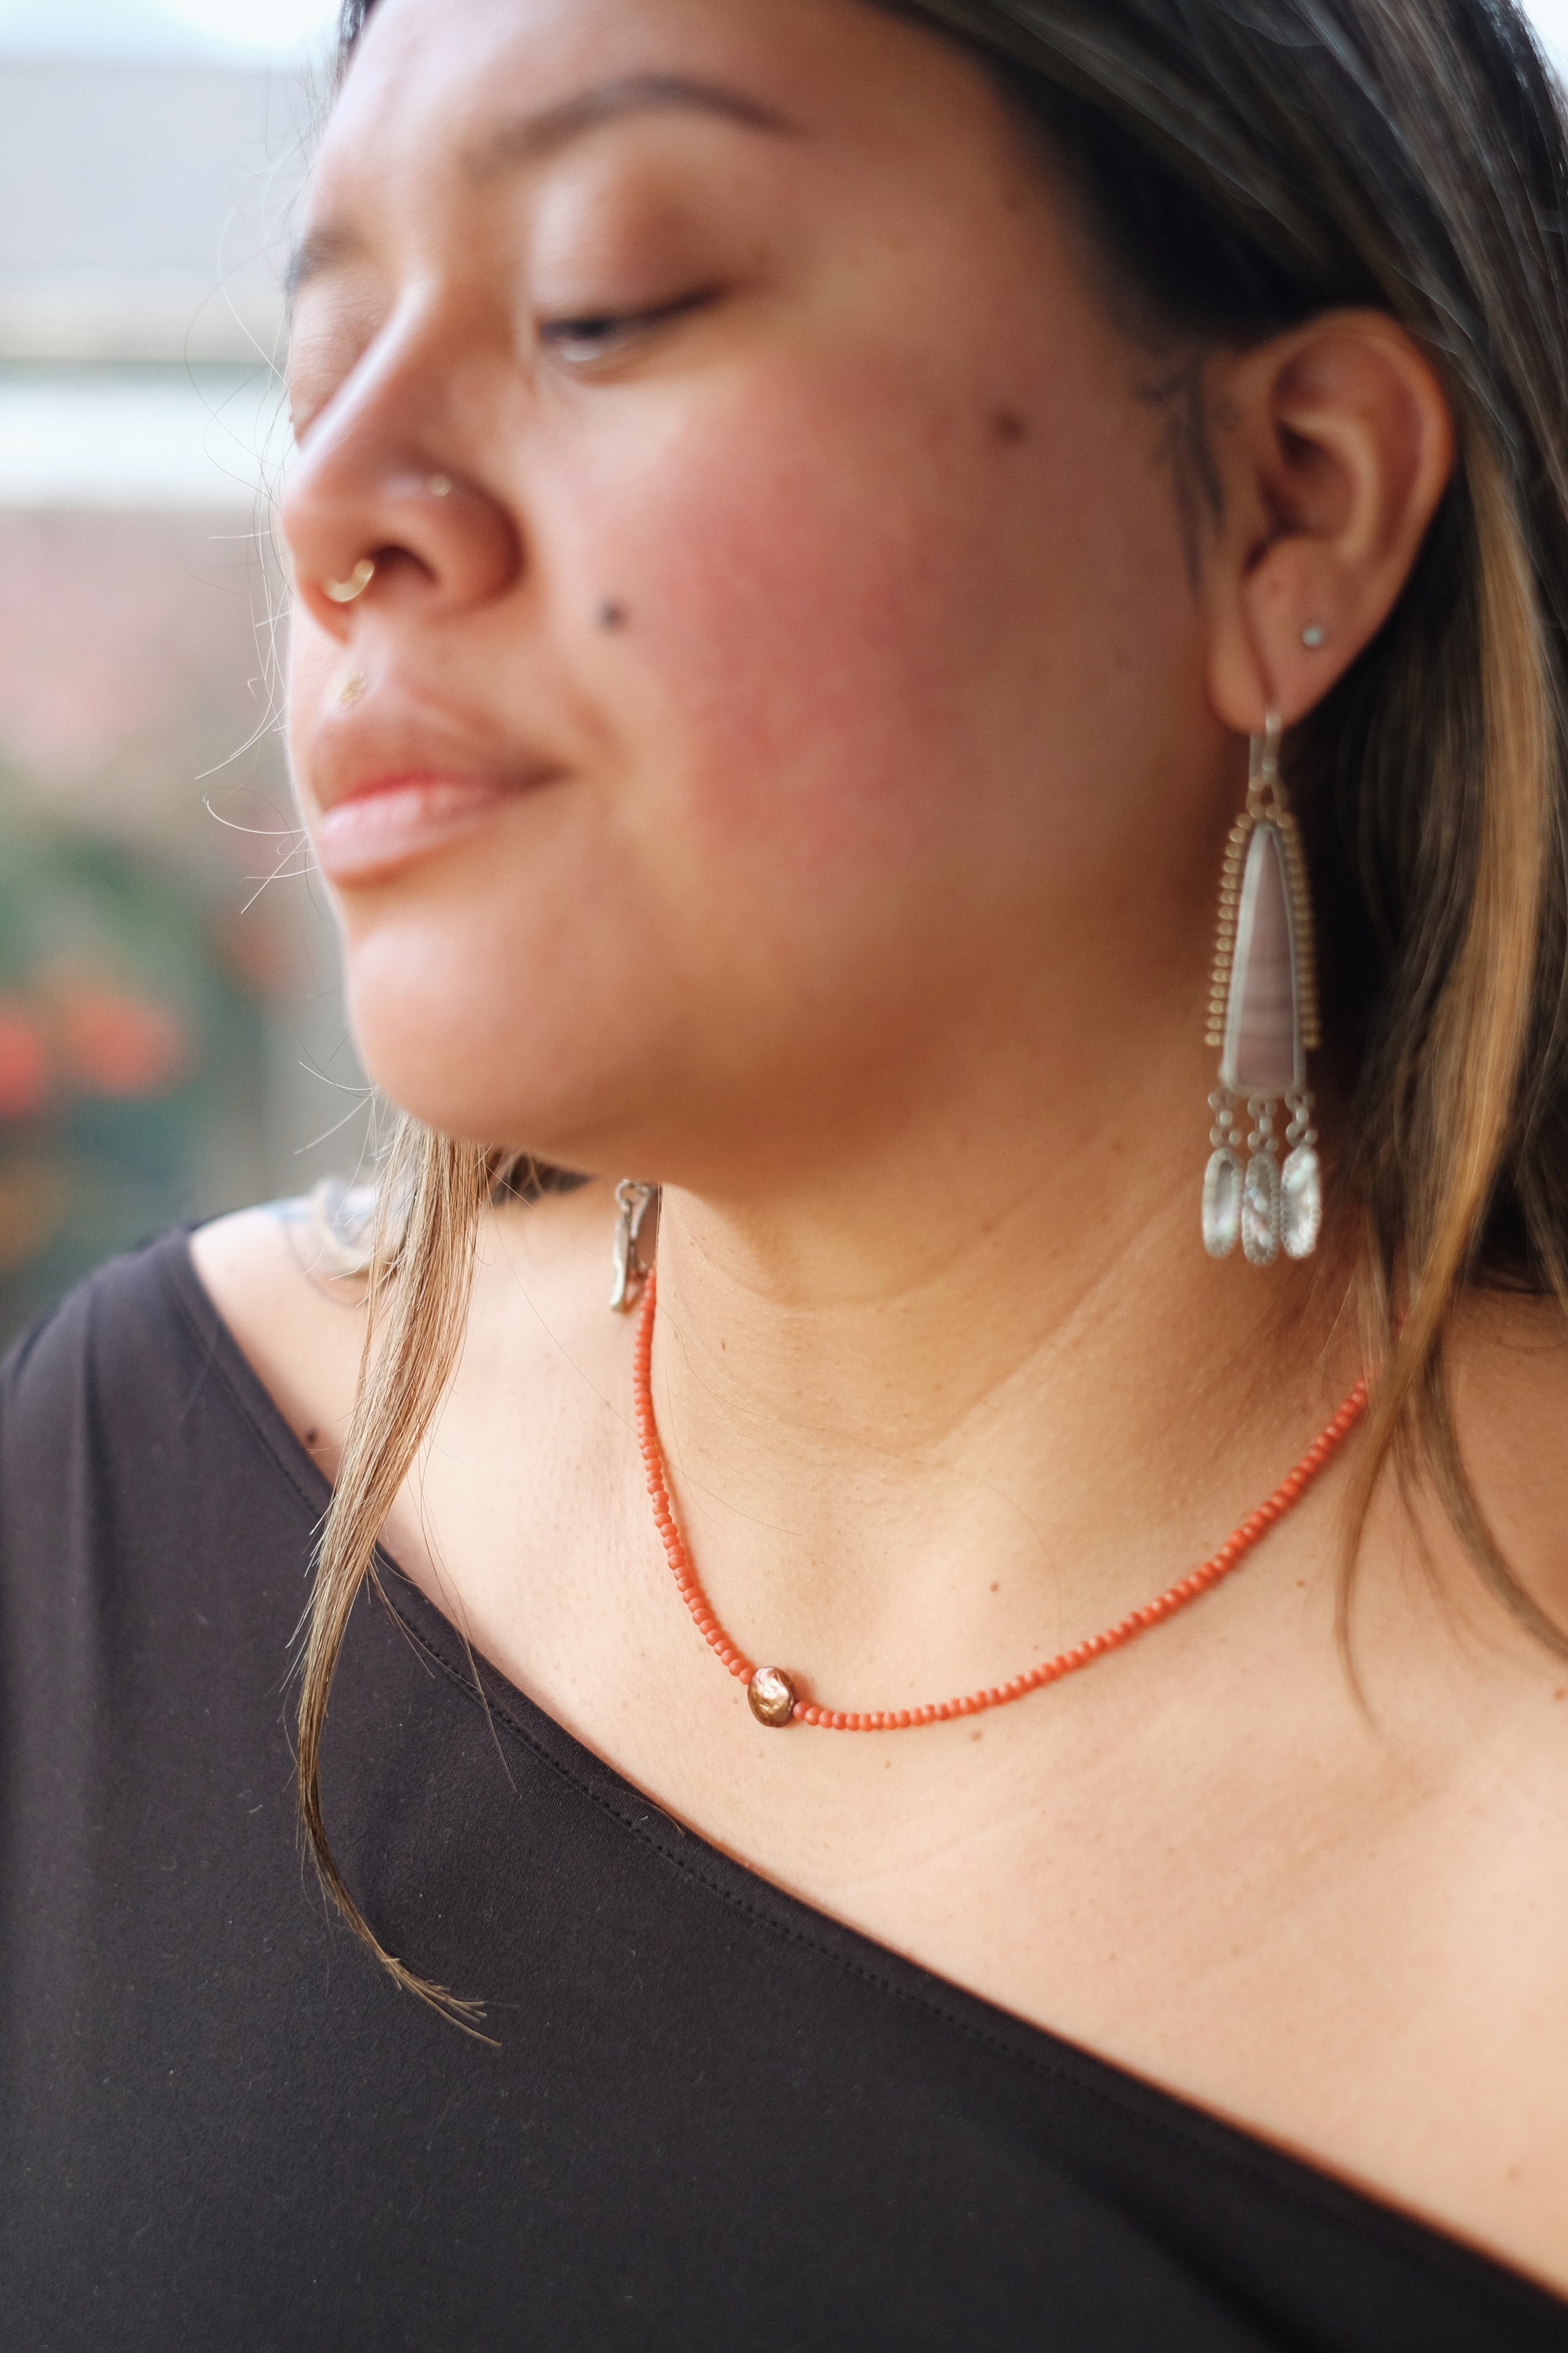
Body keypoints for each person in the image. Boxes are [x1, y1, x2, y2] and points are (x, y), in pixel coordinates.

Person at [4, 0, 1568, 2341]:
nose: (337, 510)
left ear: (1291, 501)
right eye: (315, 370)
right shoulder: (126, 1504)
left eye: (605, 305)